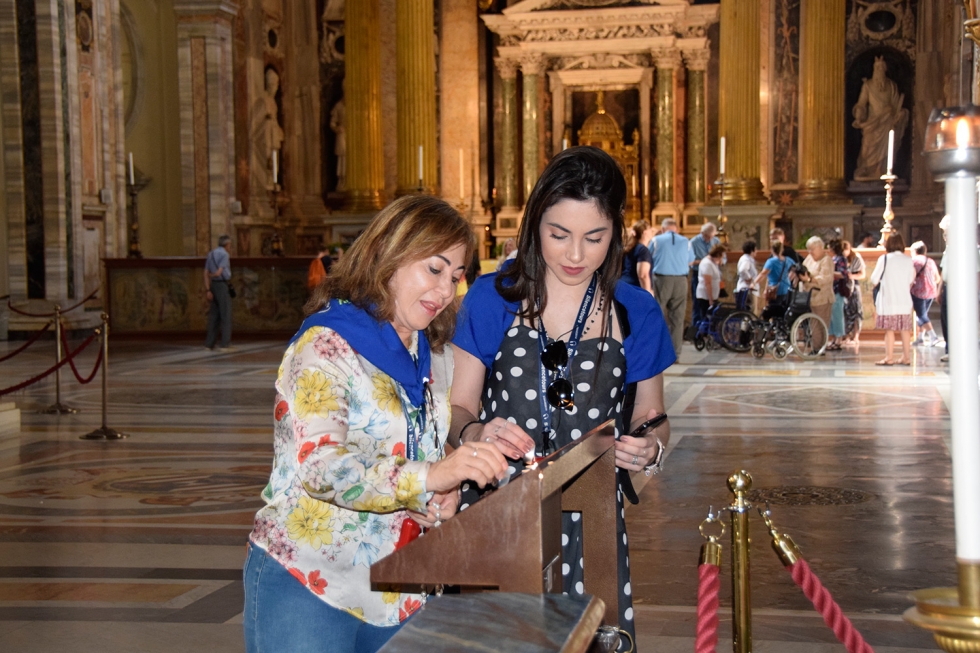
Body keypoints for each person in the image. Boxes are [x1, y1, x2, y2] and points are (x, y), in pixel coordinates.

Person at [243, 195, 508, 653]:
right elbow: (321, 468)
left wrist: (440, 493)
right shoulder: (326, 345)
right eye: (434, 269)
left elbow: (419, 451)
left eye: (456, 276)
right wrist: (429, 477)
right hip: (312, 581)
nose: (445, 290)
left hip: (400, 585)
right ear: (389, 253)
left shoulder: (429, 351)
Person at [449, 146, 675, 651]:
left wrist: (651, 447)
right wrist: (475, 431)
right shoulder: (493, 297)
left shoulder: (635, 311)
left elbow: (653, 417)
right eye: (559, 235)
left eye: (594, 237)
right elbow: (458, 408)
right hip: (499, 507)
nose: (576, 255)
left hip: (590, 522)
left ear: (615, 231)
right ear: (535, 225)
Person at [851, 56, 909, 181]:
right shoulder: (868, 85)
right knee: (867, 147)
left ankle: (881, 169)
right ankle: (866, 169)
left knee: (888, 146)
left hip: (888, 122)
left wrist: (900, 114)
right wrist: (859, 112)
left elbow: (896, 105)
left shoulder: (892, 86)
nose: (880, 70)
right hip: (872, 123)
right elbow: (861, 103)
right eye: (877, 68)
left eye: (882, 68)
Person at [870, 232, 915, 365]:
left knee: (889, 330)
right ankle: (906, 357)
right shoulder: (908, 260)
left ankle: (889, 358)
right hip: (904, 300)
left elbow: (874, 279)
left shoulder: (884, 259)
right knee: (905, 330)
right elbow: (911, 280)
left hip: (888, 300)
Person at [650, 217, 693, 358]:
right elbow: (690, 260)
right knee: (678, 318)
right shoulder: (686, 241)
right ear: (677, 229)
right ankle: (675, 353)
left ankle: (657, 352)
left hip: (662, 280)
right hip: (681, 281)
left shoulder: (656, 240)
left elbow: (648, 258)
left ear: (663, 229)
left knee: (657, 315)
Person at [796, 237, 835, 341]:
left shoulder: (826, 260)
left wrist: (809, 279)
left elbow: (826, 278)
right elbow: (803, 269)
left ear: (820, 247)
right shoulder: (809, 258)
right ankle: (815, 346)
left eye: (812, 249)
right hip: (809, 297)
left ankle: (819, 347)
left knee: (820, 326)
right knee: (813, 326)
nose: (810, 252)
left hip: (822, 298)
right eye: (809, 249)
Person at [205, 235, 234, 351]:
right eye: (230, 245)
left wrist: (208, 289)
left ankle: (209, 343)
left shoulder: (211, 254)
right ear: (227, 245)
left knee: (214, 315)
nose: (230, 247)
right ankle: (225, 343)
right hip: (222, 284)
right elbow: (218, 272)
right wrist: (213, 275)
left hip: (213, 286)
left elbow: (205, 272)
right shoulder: (224, 255)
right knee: (225, 314)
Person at [910, 241, 941, 346]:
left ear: (915, 251)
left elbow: (911, 277)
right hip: (931, 291)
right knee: (923, 314)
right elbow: (937, 278)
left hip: (918, 291)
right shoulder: (930, 261)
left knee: (921, 315)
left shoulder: (914, 261)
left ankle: (933, 337)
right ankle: (920, 338)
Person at [689, 222, 720, 326]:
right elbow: (690, 261)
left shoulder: (716, 241)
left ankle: (710, 328)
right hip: (699, 274)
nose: (709, 239)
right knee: (698, 303)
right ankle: (697, 327)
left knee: (713, 305)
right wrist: (704, 261)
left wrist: (719, 261)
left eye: (712, 236)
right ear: (702, 233)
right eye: (707, 236)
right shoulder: (693, 242)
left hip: (713, 274)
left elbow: (723, 258)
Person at [826, 238, 850, 351]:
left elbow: (842, 274)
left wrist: (830, 273)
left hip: (837, 290)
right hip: (831, 290)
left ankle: (839, 338)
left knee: (837, 315)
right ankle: (834, 337)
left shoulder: (841, 259)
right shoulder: (833, 258)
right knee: (832, 315)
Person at [842, 240, 866, 344]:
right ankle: (846, 335)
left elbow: (862, 274)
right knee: (845, 311)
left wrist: (851, 276)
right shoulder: (840, 259)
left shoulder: (856, 257)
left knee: (857, 311)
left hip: (854, 286)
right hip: (844, 287)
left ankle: (856, 336)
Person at [621, 220, 653, 295]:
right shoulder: (643, 250)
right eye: (650, 230)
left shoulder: (629, 248)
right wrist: (647, 294)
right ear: (645, 232)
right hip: (635, 288)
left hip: (624, 285)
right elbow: (643, 275)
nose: (652, 232)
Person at [756, 240, 792, 305]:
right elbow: (796, 268)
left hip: (775, 291)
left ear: (772, 249)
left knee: (774, 308)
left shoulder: (771, 262)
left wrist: (754, 283)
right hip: (787, 289)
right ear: (782, 250)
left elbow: (763, 274)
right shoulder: (788, 260)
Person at [696, 244, 726, 320]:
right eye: (721, 256)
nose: (722, 258)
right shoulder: (707, 264)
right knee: (706, 318)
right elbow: (707, 283)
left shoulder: (713, 262)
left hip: (713, 295)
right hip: (705, 297)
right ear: (718, 255)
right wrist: (711, 299)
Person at [735, 240, 759, 312]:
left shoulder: (746, 258)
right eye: (755, 249)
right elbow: (742, 270)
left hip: (747, 288)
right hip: (748, 288)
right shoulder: (746, 259)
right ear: (752, 250)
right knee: (752, 311)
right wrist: (749, 278)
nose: (756, 251)